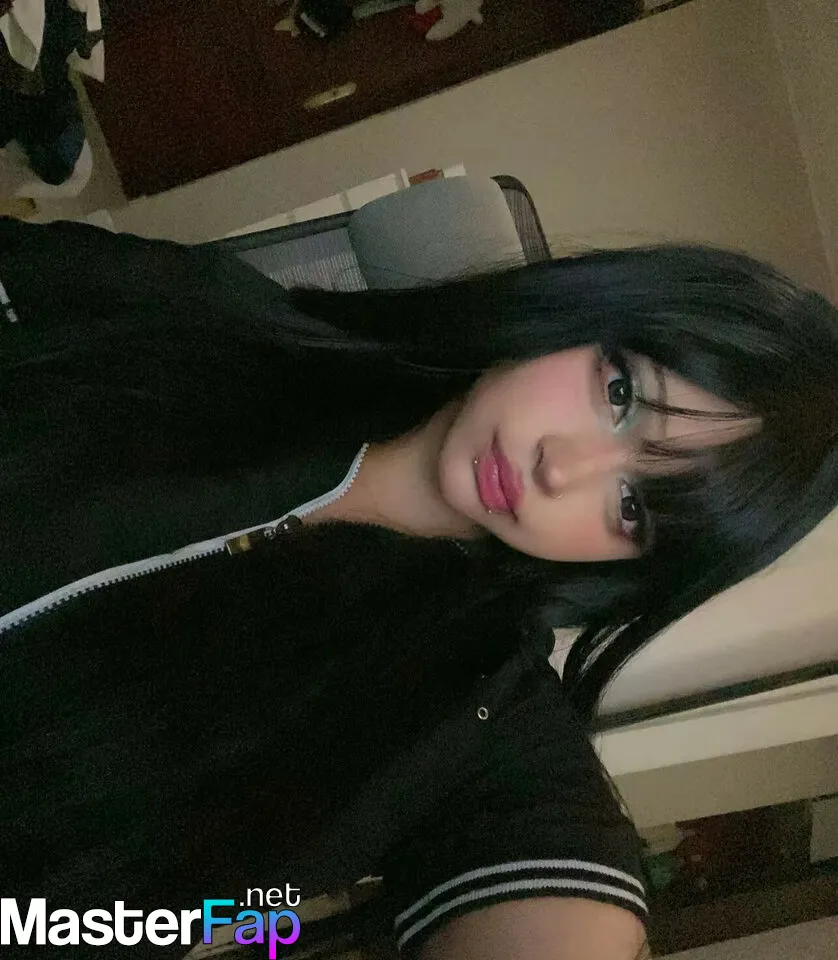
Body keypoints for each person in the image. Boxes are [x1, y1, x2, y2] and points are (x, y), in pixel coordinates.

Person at [1, 217, 836, 960]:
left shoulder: (472, 719)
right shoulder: (216, 314)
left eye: (630, 505)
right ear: (584, 316)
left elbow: (547, 876)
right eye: (620, 396)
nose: (561, 469)